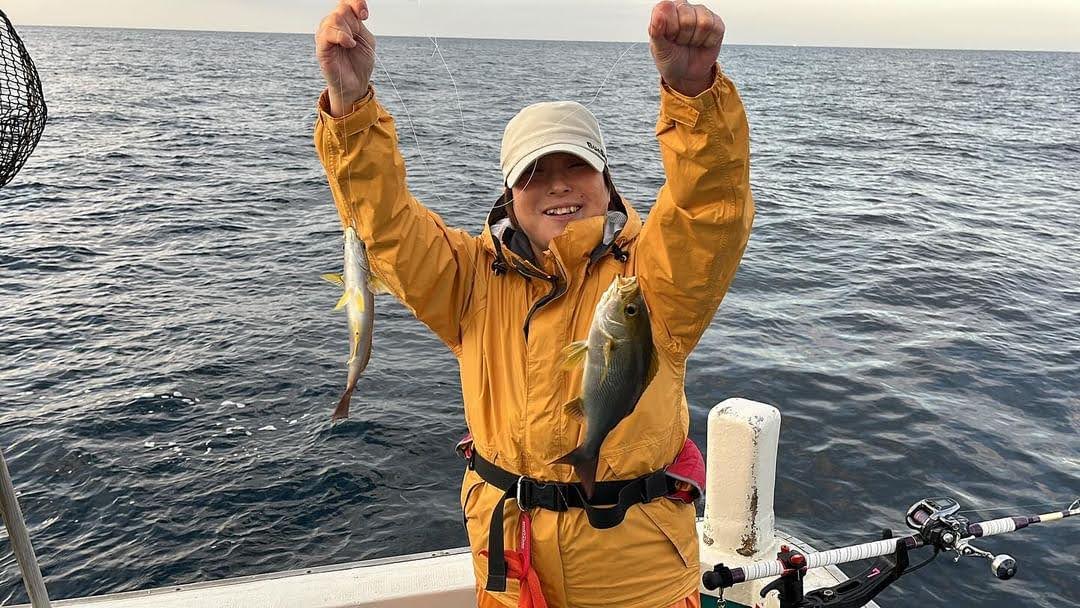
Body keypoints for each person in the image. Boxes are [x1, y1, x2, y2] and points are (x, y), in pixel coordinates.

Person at [313, 1, 754, 606]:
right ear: (510, 195)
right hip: (506, 562)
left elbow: (711, 211)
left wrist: (693, 96)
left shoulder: (653, 279)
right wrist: (350, 106)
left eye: (576, 165)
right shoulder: (468, 279)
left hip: (636, 574)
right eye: (533, 174)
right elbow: (385, 225)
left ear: (607, 180)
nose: (557, 185)